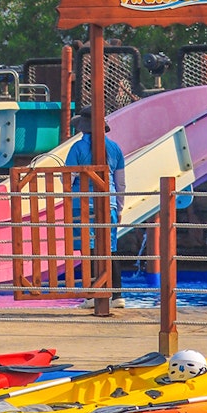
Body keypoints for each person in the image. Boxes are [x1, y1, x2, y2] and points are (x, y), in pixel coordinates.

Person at [65, 106, 127, 309]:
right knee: (111, 248)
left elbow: (68, 178)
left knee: (88, 248)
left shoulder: (76, 149)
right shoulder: (115, 149)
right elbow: (121, 183)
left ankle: (93, 294)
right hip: (107, 203)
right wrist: (119, 208)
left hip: (81, 204)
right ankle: (117, 294)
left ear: (82, 128)